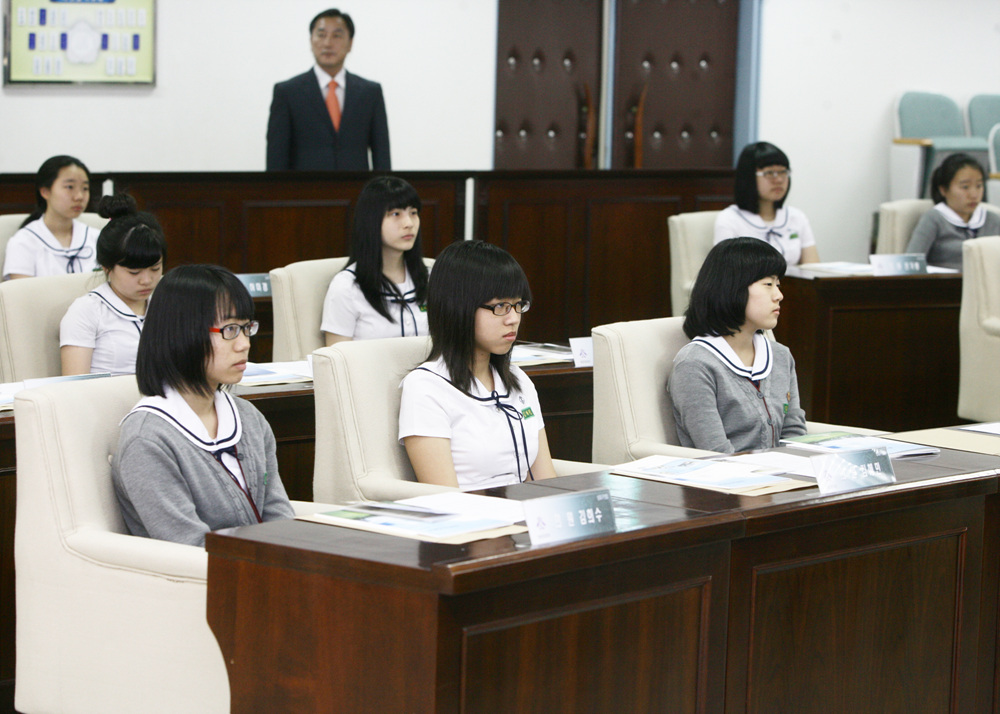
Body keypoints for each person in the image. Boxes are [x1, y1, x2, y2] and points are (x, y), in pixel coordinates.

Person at [112, 265, 294, 546]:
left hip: (263, 573)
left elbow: (278, 515)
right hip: (197, 582)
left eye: (247, 328)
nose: (244, 344)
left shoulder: (249, 418)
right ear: (182, 333)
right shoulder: (147, 440)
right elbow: (189, 544)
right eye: (230, 330)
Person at [398, 240, 559, 490]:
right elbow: (445, 498)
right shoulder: (426, 388)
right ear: (458, 307)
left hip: (526, 519)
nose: (513, 319)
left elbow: (546, 481)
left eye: (518, 305)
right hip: (473, 522)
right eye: (500, 306)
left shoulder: (518, 379)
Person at [668, 237, 807, 453]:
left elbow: (794, 435)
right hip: (726, 481)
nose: (779, 295)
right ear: (732, 288)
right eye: (768, 284)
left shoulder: (780, 356)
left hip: (783, 479)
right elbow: (715, 450)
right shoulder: (694, 365)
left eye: (778, 284)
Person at [266, 8, 390, 171]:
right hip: (306, 193)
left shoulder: (370, 92)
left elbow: (382, 156)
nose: (327, 43)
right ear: (311, 41)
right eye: (321, 35)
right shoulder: (287, 92)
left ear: (350, 43)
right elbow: (276, 159)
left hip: (357, 193)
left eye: (337, 36)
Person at [59, 194, 166, 376]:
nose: (146, 280)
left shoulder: (167, 301)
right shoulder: (87, 311)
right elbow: (73, 389)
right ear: (107, 267)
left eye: (155, 269)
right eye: (134, 272)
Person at [321, 176, 428, 343]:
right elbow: (336, 362)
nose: (409, 223)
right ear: (371, 221)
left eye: (413, 213)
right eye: (395, 213)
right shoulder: (347, 287)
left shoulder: (433, 276)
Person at [714, 142, 820, 266]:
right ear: (748, 177)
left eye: (783, 172)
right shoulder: (730, 219)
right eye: (769, 173)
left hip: (793, 285)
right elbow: (726, 273)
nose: (779, 180)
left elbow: (813, 269)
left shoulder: (796, 217)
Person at [4, 155, 99, 280]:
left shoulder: (97, 237)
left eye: (85, 188)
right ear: (45, 192)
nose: (79, 196)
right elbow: (21, 296)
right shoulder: (24, 242)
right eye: (70, 187)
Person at [906, 153, 1000, 270]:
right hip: (945, 285)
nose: (974, 194)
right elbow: (911, 263)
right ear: (944, 190)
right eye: (965, 187)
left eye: (979, 186)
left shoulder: (993, 219)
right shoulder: (934, 219)